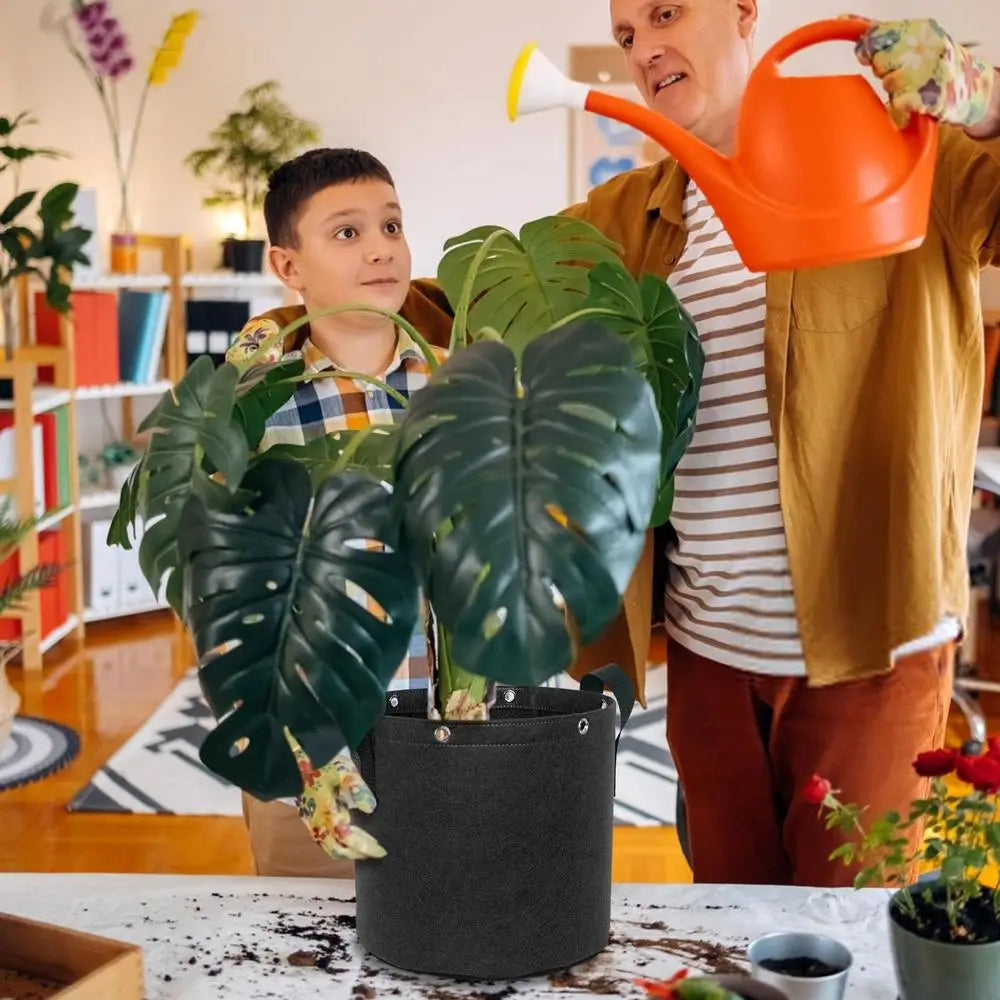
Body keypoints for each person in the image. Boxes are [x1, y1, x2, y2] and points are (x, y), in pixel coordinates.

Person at [558, 2, 1000, 886]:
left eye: (664, 14)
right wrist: (324, 310)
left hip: (871, 650)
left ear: (743, 12)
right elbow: (495, 303)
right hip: (708, 654)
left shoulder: (899, 146)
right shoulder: (627, 217)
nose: (644, 48)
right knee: (731, 930)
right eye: (627, 37)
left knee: (850, 938)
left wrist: (981, 103)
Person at [227, 146, 450, 878]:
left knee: (445, 930)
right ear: (288, 266)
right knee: (304, 939)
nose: (382, 249)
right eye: (347, 233)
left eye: (392, 225)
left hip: (449, 728)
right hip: (309, 740)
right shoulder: (252, 405)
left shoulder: (461, 384)